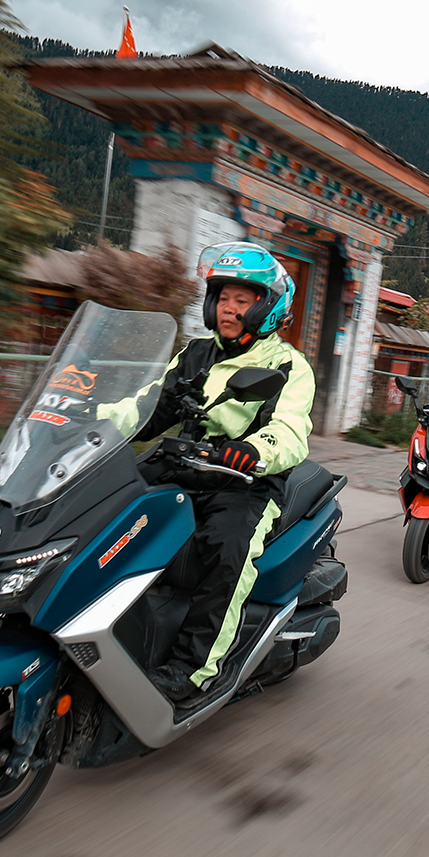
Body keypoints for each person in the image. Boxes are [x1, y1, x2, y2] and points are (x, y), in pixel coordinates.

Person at [105, 241, 316, 705]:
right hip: (184, 463)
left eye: (242, 300)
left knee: (227, 547)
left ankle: (195, 668)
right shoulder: (195, 354)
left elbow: (289, 430)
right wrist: (92, 421)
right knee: (108, 507)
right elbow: (149, 405)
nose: (228, 308)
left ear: (267, 306)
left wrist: (253, 450)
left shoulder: (288, 365)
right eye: (222, 297)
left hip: (243, 479)